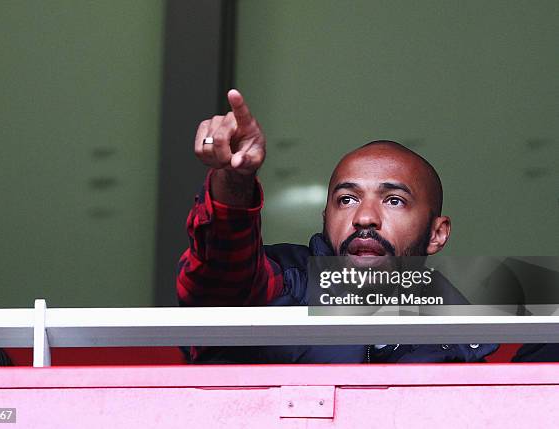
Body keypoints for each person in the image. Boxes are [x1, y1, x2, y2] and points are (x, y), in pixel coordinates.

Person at [177, 89, 497, 363]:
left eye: (394, 200)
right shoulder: (284, 284)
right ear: (325, 216)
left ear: (437, 233)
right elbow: (223, 275)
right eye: (347, 199)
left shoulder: (459, 334)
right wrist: (234, 179)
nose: (364, 217)